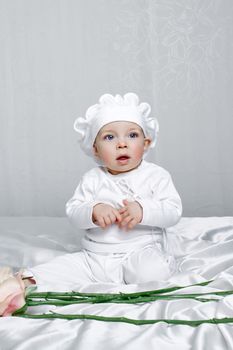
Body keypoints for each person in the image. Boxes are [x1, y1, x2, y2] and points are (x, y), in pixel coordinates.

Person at [28, 93, 182, 290]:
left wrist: (143, 209)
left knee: (152, 273)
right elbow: (74, 211)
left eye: (132, 135)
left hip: (140, 250)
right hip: (95, 256)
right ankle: (24, 282)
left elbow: (173, 211)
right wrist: (93, 210)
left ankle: (147, 271)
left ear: (146, 144)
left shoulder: (156, 175)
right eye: (109, 137)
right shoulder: (92, 179)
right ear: (96, 150)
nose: (122, 143)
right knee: (61, 268)